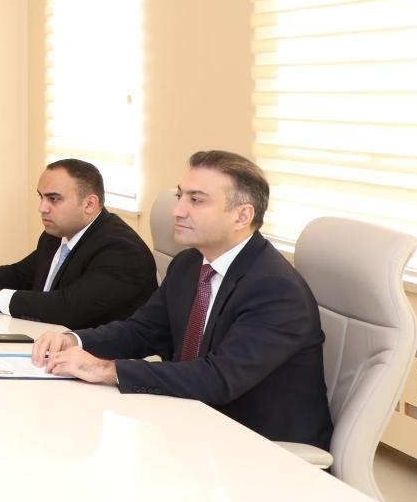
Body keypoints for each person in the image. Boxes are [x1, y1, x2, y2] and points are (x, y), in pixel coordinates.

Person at [33, 150, 332, 448]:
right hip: (191, 427)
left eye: (196, 200)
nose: (177, 210)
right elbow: (141, 331)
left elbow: (217, 379)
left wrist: (103, 369)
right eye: (180, 196)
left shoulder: (276, 289)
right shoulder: (189, 264)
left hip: (259, 447)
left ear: (242, 216)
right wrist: (75, 341)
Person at [0, 159, 154, 327]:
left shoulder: (122, 251)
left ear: (89, 204)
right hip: (47, 342)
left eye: (53, 199)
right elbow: (22, 274)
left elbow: (69, 307)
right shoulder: (57, 233)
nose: (42, 208)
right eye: (41, 197)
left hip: (98, 361)